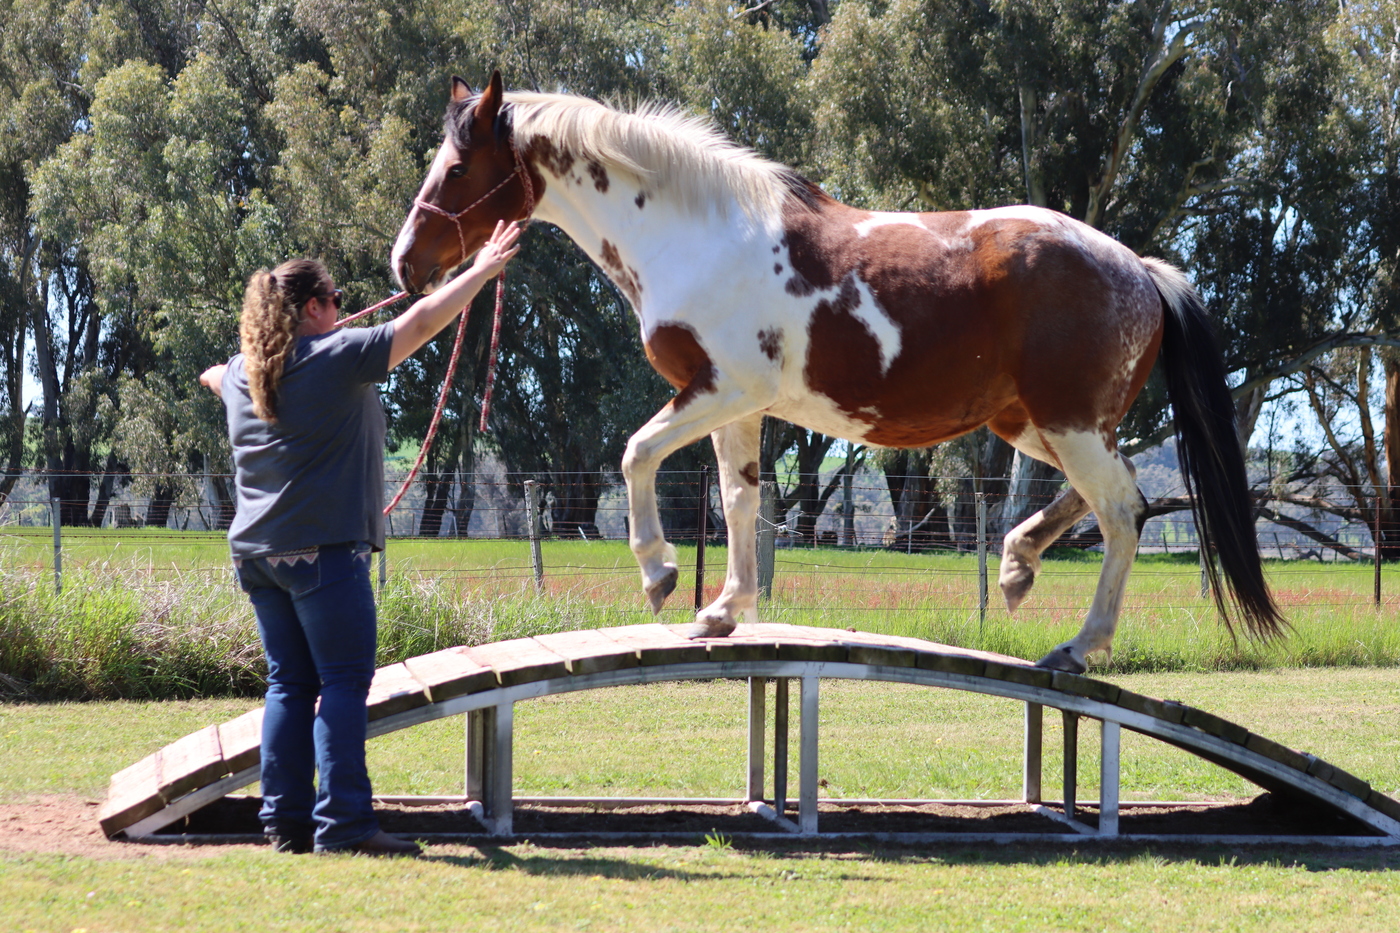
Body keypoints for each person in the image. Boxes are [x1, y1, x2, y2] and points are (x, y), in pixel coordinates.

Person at [199, 220, 522, 857]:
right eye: (336, 300)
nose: (342, 309)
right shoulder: (337, 356)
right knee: (344, 683)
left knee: (289, 685)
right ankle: (344, 824)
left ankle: (285, 822)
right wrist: (481, 270)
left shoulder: (242, 373)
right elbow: (421, 323)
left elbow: (213, 374)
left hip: (258, 557)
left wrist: (225, 372)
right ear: (313, 308)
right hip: (323, 554)